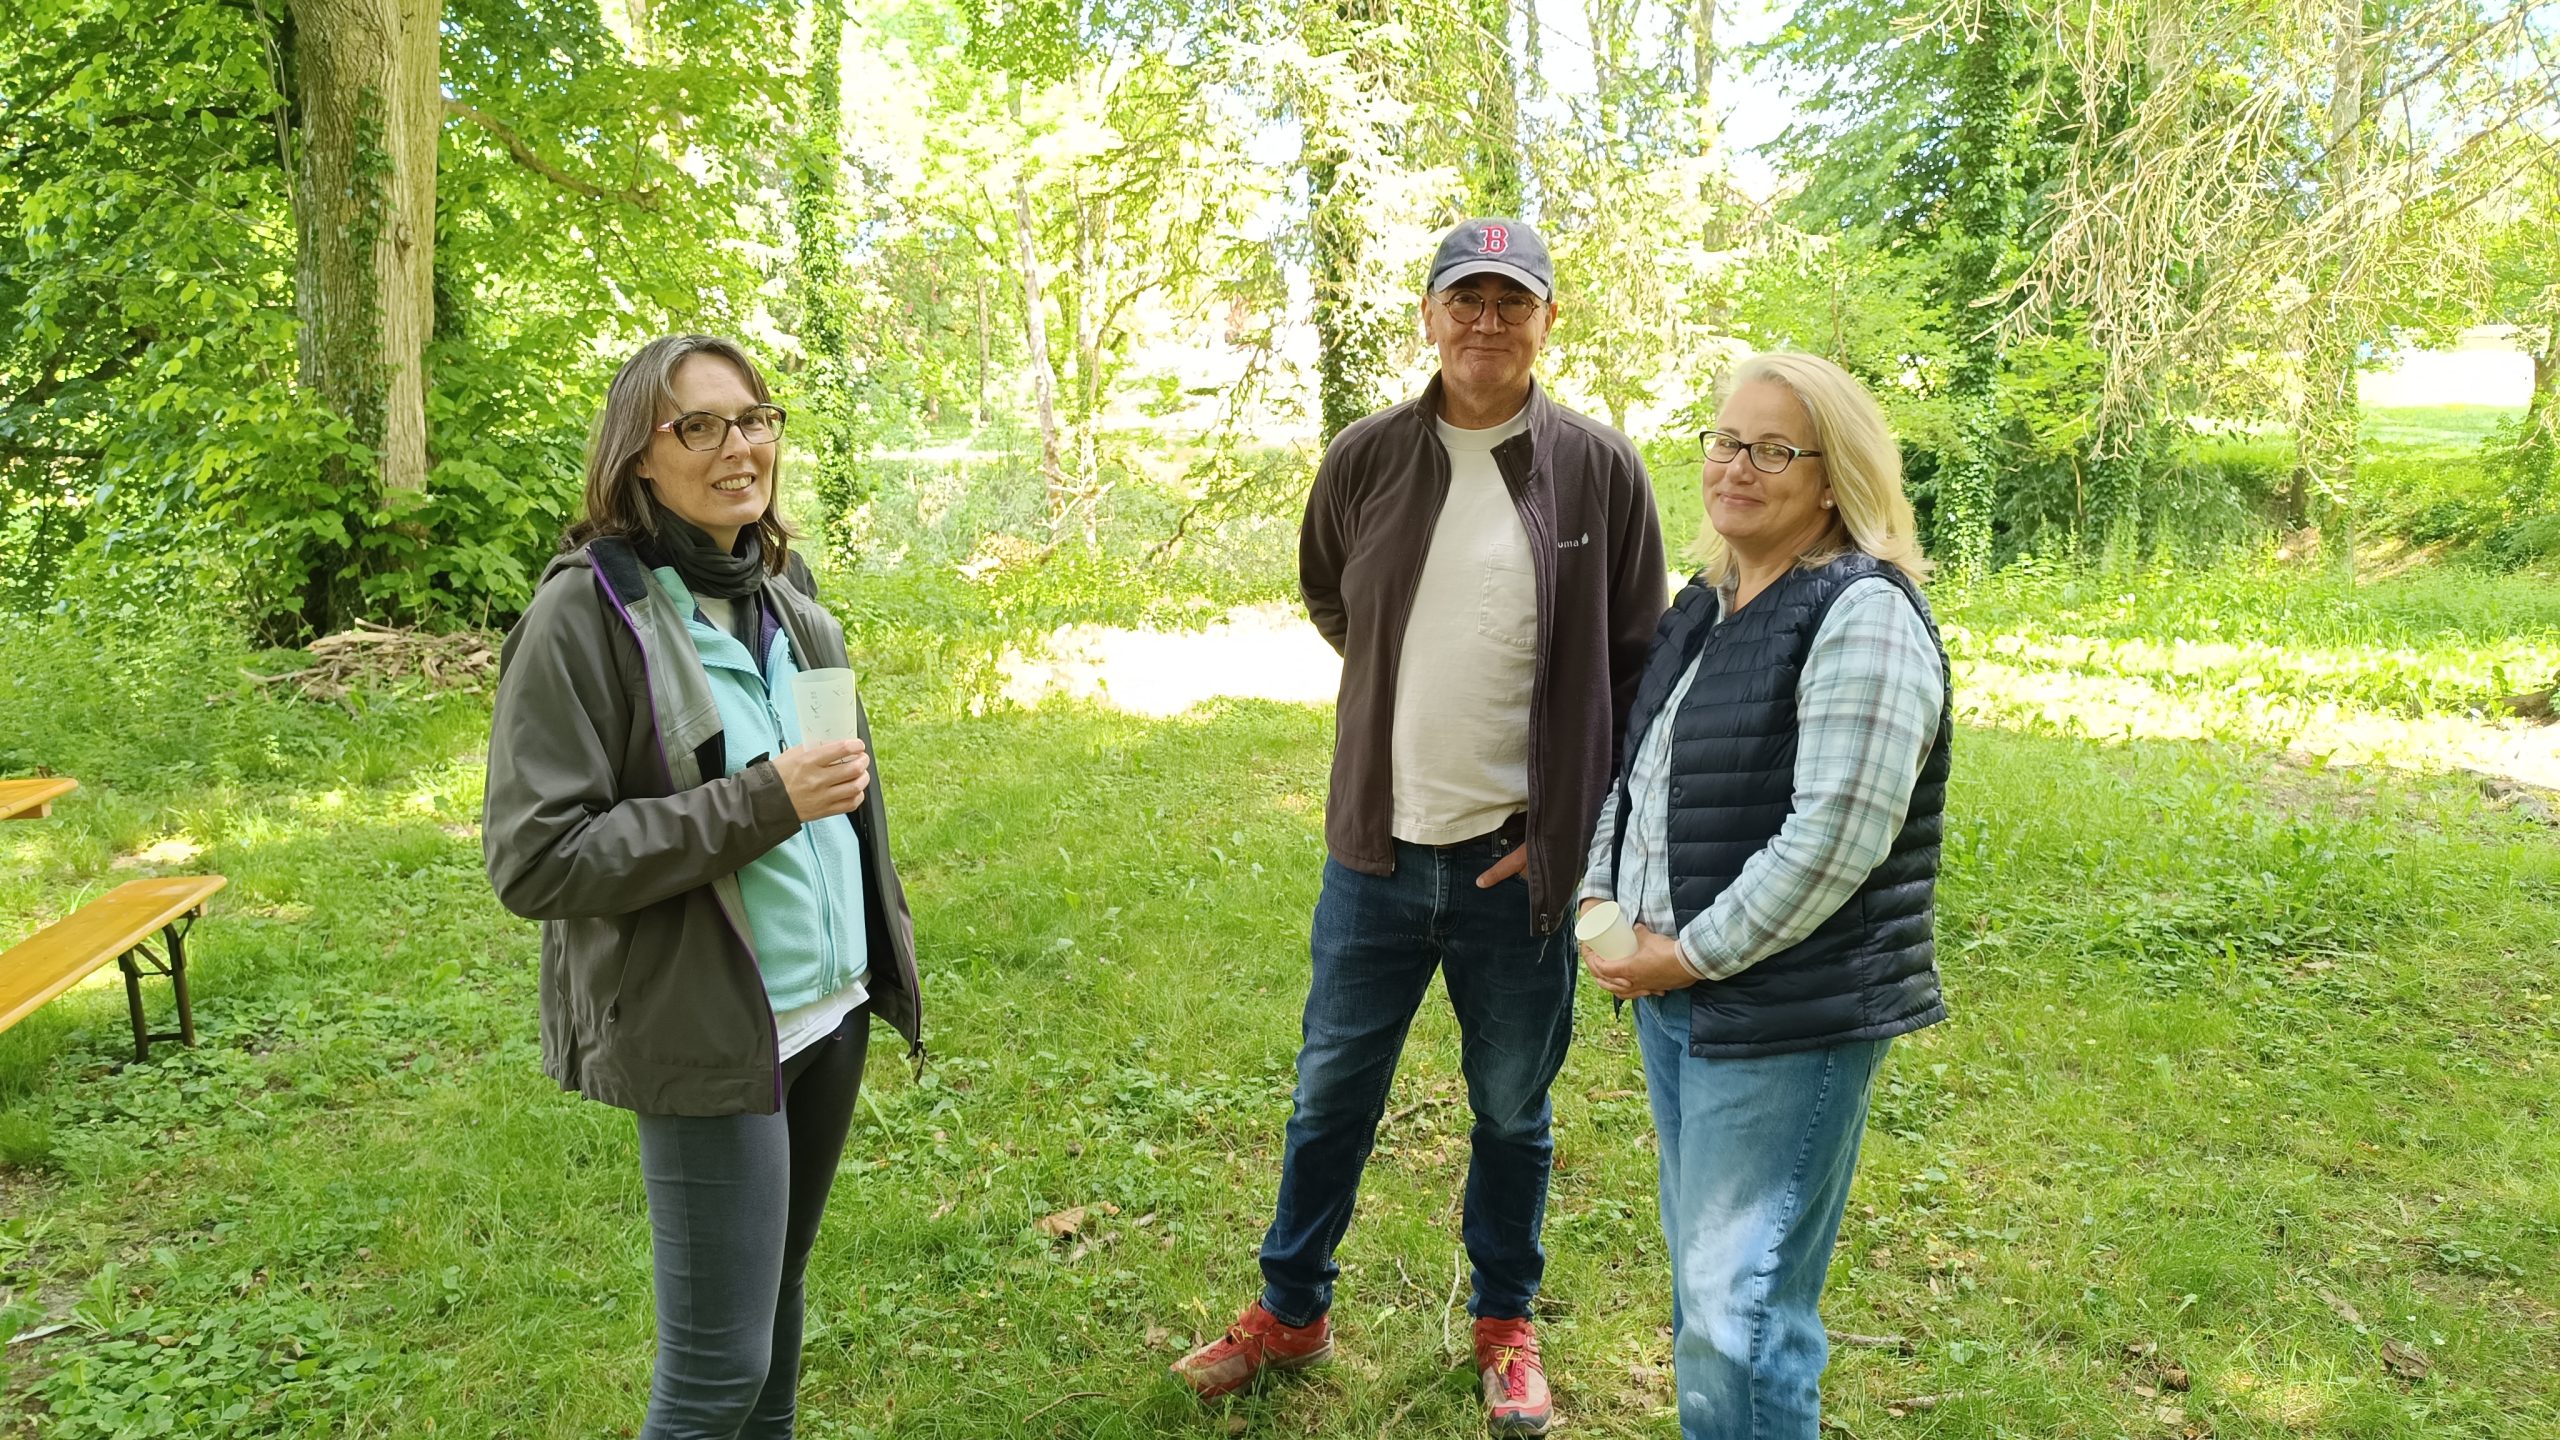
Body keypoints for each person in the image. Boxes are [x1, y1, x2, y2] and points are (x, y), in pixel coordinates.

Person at [1173, 218, 1666, 1436]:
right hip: (1376, 855)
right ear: (1430, 315)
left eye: (1511, 301)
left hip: (1517, 868)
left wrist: (1567, 831)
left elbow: (1634, 665)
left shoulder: (1599, 472)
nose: (1486, 322)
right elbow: (1332, 593)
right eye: (1465, 299)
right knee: (1329, 1096)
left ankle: (1505, 1324)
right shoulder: (1366, 457)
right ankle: (1291, 1310)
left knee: (1512, 1108)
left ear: (1547, 320)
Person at [482, 334, 921, 1440]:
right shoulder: (586, 616)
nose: (740, 447)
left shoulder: (782, 590)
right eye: (700, 426)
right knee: (715, 1377)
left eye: (755, 419)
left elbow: (835, 786)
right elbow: (537, 858)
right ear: (639, 454)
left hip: (829, 1011)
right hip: (712, 1027)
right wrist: (763, 800)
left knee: (773, 1315)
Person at [1576, 351, 1950, 1440]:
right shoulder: (1710, 603)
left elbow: (1834, 840)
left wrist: (1684, 954)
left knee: (1738, 1315)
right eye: (1726, 441)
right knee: (1711, 1296)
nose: (1736, 467)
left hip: (1784, 1014)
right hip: (1681, 998)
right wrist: (1604, 904)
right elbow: (1637, 776)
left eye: (1775, 450)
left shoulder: (1861, 614)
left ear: (1833, 480)